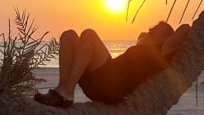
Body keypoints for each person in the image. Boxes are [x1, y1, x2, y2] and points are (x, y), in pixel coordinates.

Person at [34, 21, 191, 107]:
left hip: (112, 87)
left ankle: (66, 91)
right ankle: (63, 92)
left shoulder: (163, 53)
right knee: (68, 35)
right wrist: (150, 36)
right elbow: (142, 35)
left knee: (89, 34)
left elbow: (185, 28)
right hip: (101, 80)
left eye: (165, 32)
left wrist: (166, 36)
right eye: (157, 29)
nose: (159, 31)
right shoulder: (143, 47)